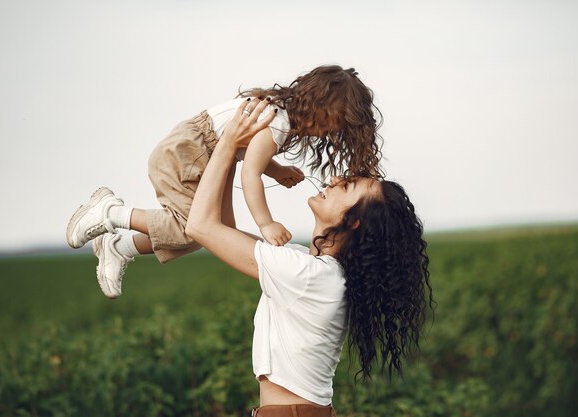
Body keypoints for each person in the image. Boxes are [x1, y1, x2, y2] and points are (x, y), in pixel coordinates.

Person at [184, 97, 433, 416]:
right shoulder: (315, 270)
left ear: (352, 222)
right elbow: (222, 230)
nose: (333, 180)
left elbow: (201, 226)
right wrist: (232, 154)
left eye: (348, 186)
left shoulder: (308, 275)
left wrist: (230, 139)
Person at [66, 65, 383, 299]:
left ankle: (120, 246)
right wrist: (266, 223)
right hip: (189, 151)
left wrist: (277, 170)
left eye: (335, 129)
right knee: (191, 226)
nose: (327, 132)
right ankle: (111, 213)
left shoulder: (282, 116)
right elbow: (250, 174)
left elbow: (253, 155)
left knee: (211, 232)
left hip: (204, 154)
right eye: (330, 122)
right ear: (316, 103)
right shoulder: (280, 123)